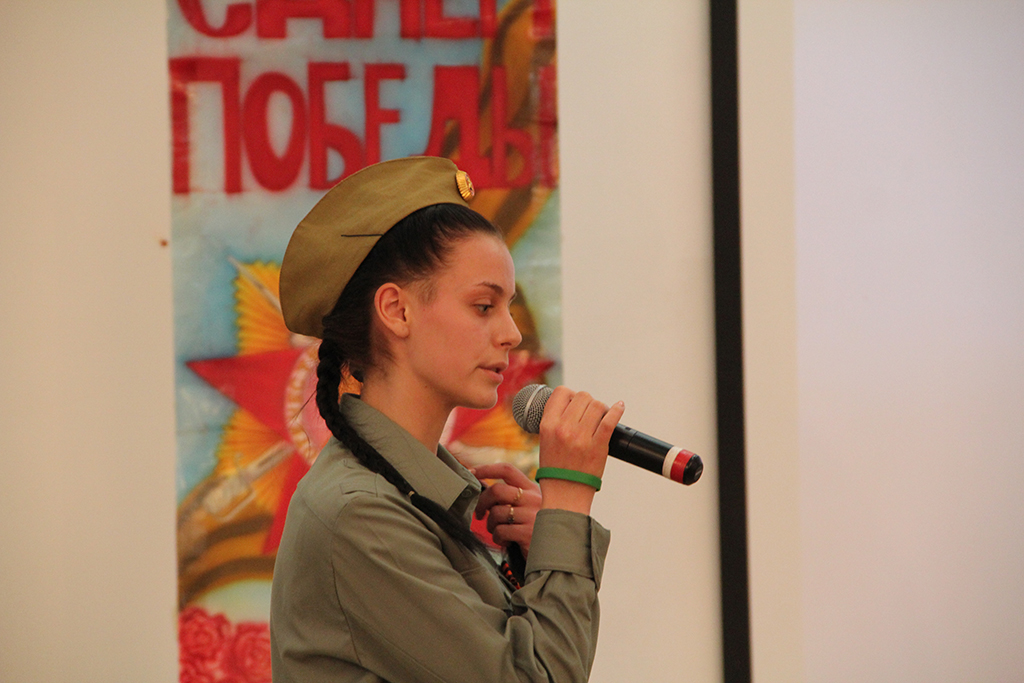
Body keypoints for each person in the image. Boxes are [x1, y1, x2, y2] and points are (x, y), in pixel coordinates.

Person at [270, 156, 624, 683]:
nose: (511, 334)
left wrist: (544, 555)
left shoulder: (404, 496)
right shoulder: (360, 515)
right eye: (483, 306)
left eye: (508, 307)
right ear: (397, 311)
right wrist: (568, 497)